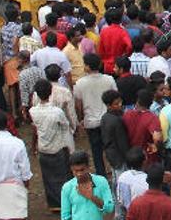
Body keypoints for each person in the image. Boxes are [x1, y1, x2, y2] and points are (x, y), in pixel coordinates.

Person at [30, 79, 73, 213]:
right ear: (50, 93)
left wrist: (33, 146)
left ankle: (53, 204)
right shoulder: (56, 112)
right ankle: (65, 203)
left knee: (48, 178)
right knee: (62, 177)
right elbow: (66, 126)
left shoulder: (33, 111)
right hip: (58, 147)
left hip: (43, 148)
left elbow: (35, 129)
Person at [74, 53, 117, 177]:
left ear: (87, 66)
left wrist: (81, 119)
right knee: (111, 149)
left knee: (96, 152)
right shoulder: (109, 79)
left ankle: (101, 175)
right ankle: (114, 173)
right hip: (108, 120)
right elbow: (115, 97)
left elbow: (78, 104)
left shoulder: (80, 83)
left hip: (91, 122)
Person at [60, 151, 115, 220]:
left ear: (88, 167)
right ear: (71, 169)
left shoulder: (101, 181)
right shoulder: (67, 188)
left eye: (82, 170)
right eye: (76, 171)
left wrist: (92, 197)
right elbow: (65, 216)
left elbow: (110, 208)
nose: (79, 174)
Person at [101, 89, 131, 192]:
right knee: (121, 182)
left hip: (111, 154)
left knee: (116, 180)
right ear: (109, 106)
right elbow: (122, 143)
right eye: (116, 104)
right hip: (119, 157)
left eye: (120, 102)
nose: (120, 105)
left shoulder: (105, 117)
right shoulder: (117, 120)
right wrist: (128, 157)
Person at [116, 147, 149, 220]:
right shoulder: (147, 180)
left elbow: (120, 199)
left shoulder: (122, 176)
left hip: (127, 213)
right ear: (144, 162)